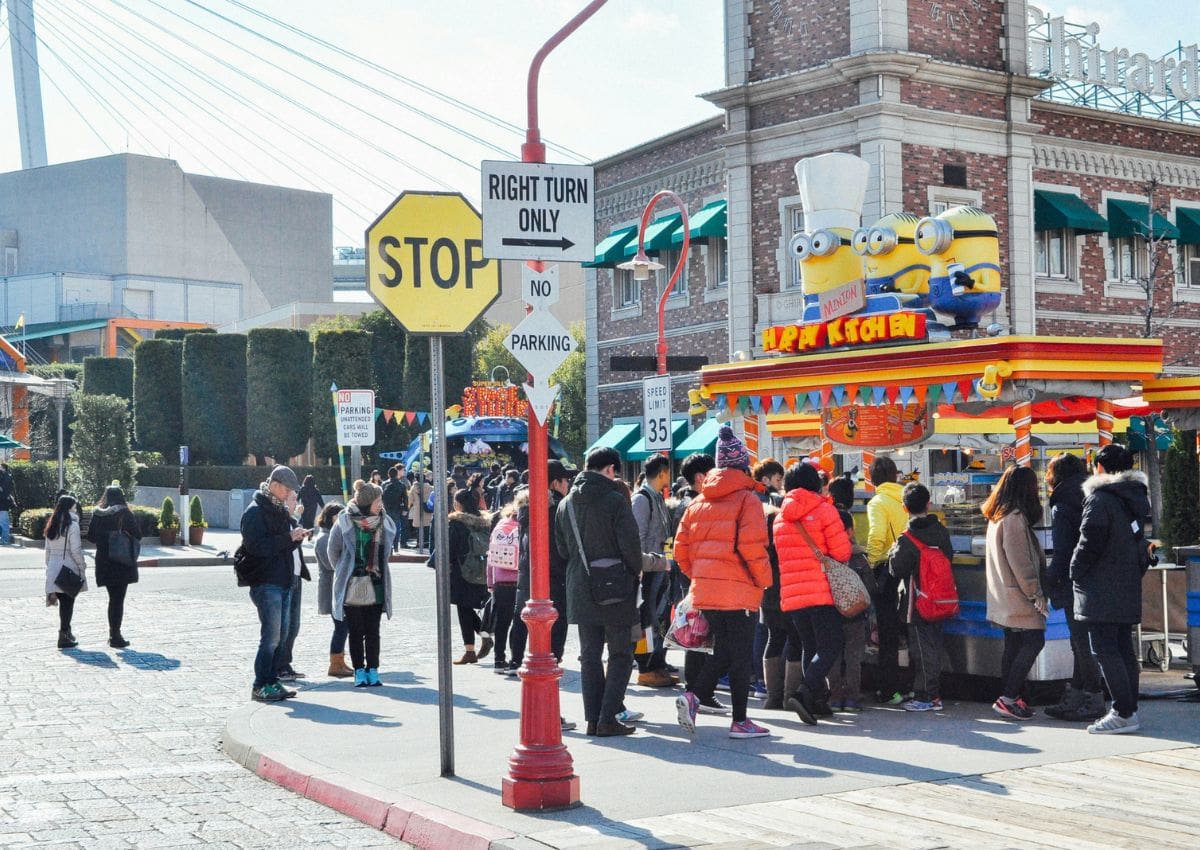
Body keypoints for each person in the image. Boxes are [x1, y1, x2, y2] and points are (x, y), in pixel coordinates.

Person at [673, 426, 774, 739]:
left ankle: (696, 697)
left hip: (706, 591)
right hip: (740, 590)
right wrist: (764, 581)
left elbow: (680, 551)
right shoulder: (748, 501)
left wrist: (700, 577)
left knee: (726, 651)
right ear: (743, 466)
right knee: (738, 657)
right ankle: (736, 719)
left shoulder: (697, 503)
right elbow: (752, 548)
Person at [555, 446, 642, 737]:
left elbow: (562, 549)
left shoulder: (566, 503)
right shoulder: (615, 500)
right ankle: (608, 717)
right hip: (614, 585)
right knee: (620, 654)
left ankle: (593, 719)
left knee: (589, 655)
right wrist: (634, 572)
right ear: (610, 469)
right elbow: (631, 547)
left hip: (580, 585)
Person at [1070, 443, 1152, 735]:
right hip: (1126, 583)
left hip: (1100, 586)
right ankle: (1128, 708)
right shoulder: (1133, 497)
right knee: (1123, 648)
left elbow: (1089, 540)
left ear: (1100, 467)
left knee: (1105, 649)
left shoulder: (1100, 499)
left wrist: (1074, 569)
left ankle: (1122, 711)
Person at [773, 462, 853, 725]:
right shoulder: (825, 510)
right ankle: (804, 692)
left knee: (810, 646)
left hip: (793, 593)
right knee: (831, 644)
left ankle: (816, 701)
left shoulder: (781, 517)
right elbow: (841, 552)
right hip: (821, 590)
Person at [1042, 452, 1105, 722]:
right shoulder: (1093, 494)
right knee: (1082, 641)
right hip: (1099, 576)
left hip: (1074, 580)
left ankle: (1092, 697)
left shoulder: (1062, 504)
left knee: (1080, 642)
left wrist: (1049, 580)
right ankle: (1077, 694)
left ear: (1055, 475)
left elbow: (1063, 550)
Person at [982, 465, 1047, 721]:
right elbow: (1021, 562)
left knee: (1014, 644)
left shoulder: (998, 515)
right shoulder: (1015, 518)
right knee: (1034, 640)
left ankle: (1011, 696)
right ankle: (1008, 698)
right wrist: (1035, 593)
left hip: (1004, 594)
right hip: (1018, 595)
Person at [240, 466, 307, 702]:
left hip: (284, 579)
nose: (289, 494)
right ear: (275, 485)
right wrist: (287, 538)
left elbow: (281, 544)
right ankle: (260, 685)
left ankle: (272, 681)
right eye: (287, 490)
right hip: (266, 581)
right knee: (271, 637)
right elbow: (256, 547)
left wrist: (295, 538)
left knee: (281, 634)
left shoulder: (278, 509)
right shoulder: (255, 511)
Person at [887, 483, 953, 712]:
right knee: (934, 645)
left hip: (917, 602)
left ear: (904, 508)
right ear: (929, 504)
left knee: (921, 650)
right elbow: (949, 557)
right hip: (940, 598)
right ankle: (933, 692)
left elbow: (896, 569)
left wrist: (892, 552)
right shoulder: (941, 531)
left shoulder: (907, 538)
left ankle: (926, 696)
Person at [330, 482, 396, 687]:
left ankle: (373, 669)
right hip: (352, 583)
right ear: (367, 503)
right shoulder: (344, 521)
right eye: (378, 501)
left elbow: (386, 552)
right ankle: (359, 670)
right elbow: (333, 552)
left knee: (373, 631)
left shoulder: (384, 521)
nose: (381, 504)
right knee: (356, 631)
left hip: (376, 583)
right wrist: (345, 570)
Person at [865, 456, 909, 704]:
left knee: (886, 631)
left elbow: (877, 536)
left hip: (886, 568)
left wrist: (870, 564)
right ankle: (908, 685)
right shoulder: (905, 497)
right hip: (907, 566)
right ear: (895, 475)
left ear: (872, 479)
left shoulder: (878, 502)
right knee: (905, 629)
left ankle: (889, 689)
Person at [631, 452, 675, 687]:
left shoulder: (656, 497)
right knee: (647, 620)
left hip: (661, 567)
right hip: (648, 569)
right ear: (662, 473)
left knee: (658, 618)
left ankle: (656, 664)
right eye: (668, 472)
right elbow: (637, 539)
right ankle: (646, 667)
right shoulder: (642, 499)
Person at [827, 475, 868, 711]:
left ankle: (834, 696)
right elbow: (870, 587)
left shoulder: (826, 558)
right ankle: (852, 697)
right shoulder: (858, 557)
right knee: (853, 655)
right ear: (851, 531)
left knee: (832, 653)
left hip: (830, 609)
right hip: (856, 613)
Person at [86, 485, 143, 649]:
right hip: (122, 561)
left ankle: (114, 634)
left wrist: (105, 537)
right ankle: (115, 635)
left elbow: (91, 537)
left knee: (113, 598)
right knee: (118, 599)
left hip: (104, 561)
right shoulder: (125, 513)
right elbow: (138, 535)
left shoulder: (98, 514)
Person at [445, 489, 494, 664]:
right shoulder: (485, 522)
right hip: (482, 568)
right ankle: (483, 636)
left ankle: (470, 650)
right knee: (469, 607)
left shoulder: (457, 523)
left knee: (463, 608)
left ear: (459, 504)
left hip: (462, 571)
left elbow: (450, 548)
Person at [486, 490, 526, 674]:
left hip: (500, 580)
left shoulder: (501, 525)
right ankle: (515, 661)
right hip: (519, 579)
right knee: (519, 623)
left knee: (502, 623)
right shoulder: (524, 526)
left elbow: (490, 556)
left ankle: (498, 660)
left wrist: (490, 582)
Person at [276, 485, 312, 684]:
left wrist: (299, 536)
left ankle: (286, 663)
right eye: (292, 499)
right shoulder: (279, 522)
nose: (296, 503)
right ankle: (278, 666)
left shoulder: (291, 521)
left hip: (296, 577)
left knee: (294, 625)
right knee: (284, 626)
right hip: (285, 577)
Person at [314, 502, 353, 678]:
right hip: (331, 588)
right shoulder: (325, 538)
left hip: (336, 587)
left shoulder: (330, 534)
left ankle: (339, 661)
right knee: (341, 626)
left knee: (343, 626)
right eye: (340, 515)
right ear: (332, 517)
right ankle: (335, 664)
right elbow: (332, 563)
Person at [45, 495, 87, 648]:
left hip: (53, 567)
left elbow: (47, 550)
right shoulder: (72, 525)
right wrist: (82, 565)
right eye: (74, 506)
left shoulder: (52, 523)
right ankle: (63, 635)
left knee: (64, 602)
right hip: (68, 567)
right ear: (70, 508)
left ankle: (67, 632)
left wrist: (49, 567)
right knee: (68, 603)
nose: (76, 509)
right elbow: (75, 550)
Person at [382, 467, 409, 552]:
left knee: (386, 528)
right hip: (397, 509)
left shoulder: (384, 484)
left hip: (386, 509)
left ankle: (389, 547)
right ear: (397, 474)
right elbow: (405, 498)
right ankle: (396, 546)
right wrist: (405, 509)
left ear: (388, 475)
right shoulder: (401, 485)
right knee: (396, 527)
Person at [409, 473, 434, 550]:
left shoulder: (414, 488)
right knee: (427, 527)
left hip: (417, 509)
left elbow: (410, 500)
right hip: (427, 509)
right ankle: (427, 543)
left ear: (416, 479)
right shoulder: (430, 488)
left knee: (419, 528)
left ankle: (419, 543)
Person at [0, 462, 14, 544]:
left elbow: (4, 490)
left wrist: (1, 488)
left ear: (4, 468)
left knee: (4, 522)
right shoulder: (4, 476)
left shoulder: (7, 477)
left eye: (0, 467)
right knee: (2, 522)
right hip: (2, 504)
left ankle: (5, 539)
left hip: (3, 504)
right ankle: (4, 539)